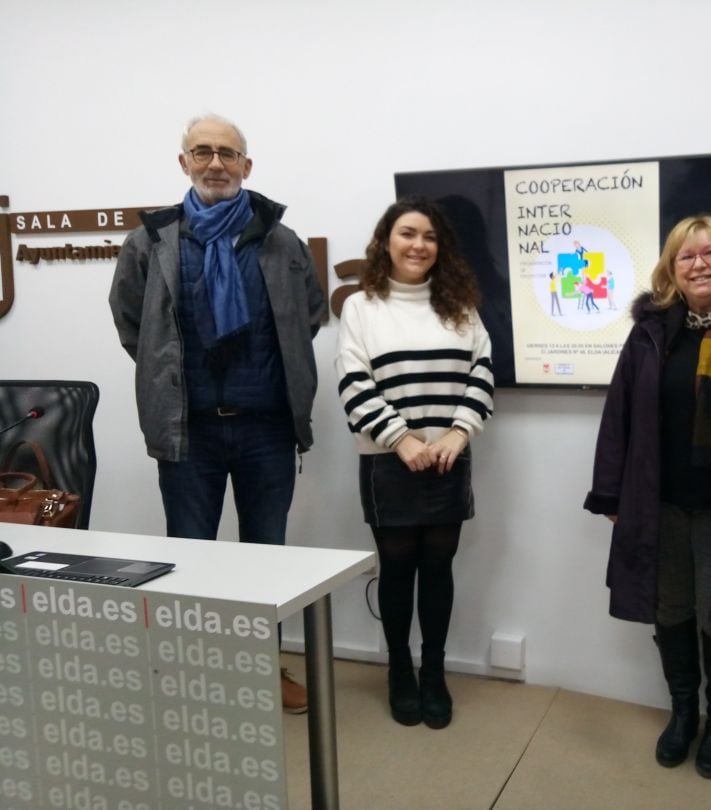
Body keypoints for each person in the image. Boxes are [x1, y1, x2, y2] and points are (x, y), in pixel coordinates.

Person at [109, 113, 326, 715]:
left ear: (246, 166)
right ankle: (193, 670)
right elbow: (134, 323)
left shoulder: (281, 241)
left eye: (228, 154)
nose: (215, 163)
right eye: (202, 152)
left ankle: (260, 666)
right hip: (190, 431)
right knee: (192, 557)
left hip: (266, 429)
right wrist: (168, 372)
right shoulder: (150, 241)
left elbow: (306, 317)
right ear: (183, 162)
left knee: (266, 560)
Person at [584, 215, 711, 779]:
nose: (698, 265)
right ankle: (683, 715)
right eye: (685, 257)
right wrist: (611, 494)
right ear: (671, 269)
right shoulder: (652, 330)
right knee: (671, 608)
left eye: (710, 253)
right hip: (660, 502)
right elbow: (619, 413)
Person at [335, 197, 494, 730]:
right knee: (398, 572)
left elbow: (482, 374)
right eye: (407, 233)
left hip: (449, 458)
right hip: (388, 462)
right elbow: (353, 383)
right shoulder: (362, 306)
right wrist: (401, 438)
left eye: (429, 236)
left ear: (439, 246)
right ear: (386, 241)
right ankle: (399, 669)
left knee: (439, 569)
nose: (418, 245)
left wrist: (458, 432)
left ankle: (434, 673)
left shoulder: (459, 305)